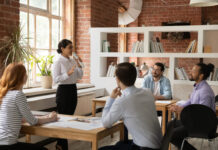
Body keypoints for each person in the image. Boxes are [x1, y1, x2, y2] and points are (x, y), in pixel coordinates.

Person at [99, 62, 162, 150]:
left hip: (144, 148)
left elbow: (105, 123)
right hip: (157, 145)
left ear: (117, 79)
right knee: (120, 144)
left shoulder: (122, 100)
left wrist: (111, 98)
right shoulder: (147, 92)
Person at [0, 63, 58, 150]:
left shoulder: (4, 93)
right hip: (8, 144)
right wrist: (51, 118)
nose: (26, 76)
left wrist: (45, 116)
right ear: (21, 77)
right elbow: (33, 121)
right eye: (25, 73)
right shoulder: (18, 94)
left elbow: (20, 118)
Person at [168, 63, 215, 150]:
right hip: (195, 122)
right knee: (170, 124)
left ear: (201, 76)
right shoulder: (197, 87)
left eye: (193, 71)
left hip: (203, 126)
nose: (190, 72)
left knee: (172, 135)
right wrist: (178, 106)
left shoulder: (205, 91)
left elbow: (202, 114)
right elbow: (190, 102)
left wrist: (183, 110)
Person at [52, 39, 83, 150]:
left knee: (69, 119)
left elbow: (79, 76)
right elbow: (55, 79)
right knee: (63, 119)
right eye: (69, 47)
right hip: (63, 91)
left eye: (72, 47)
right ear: (62, 48)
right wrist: (67, 74)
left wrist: (79, 64)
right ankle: (62, 146)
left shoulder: (72, 61)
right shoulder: (58, 62)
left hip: (73, 90)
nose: (72, 49)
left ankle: (60, 144)